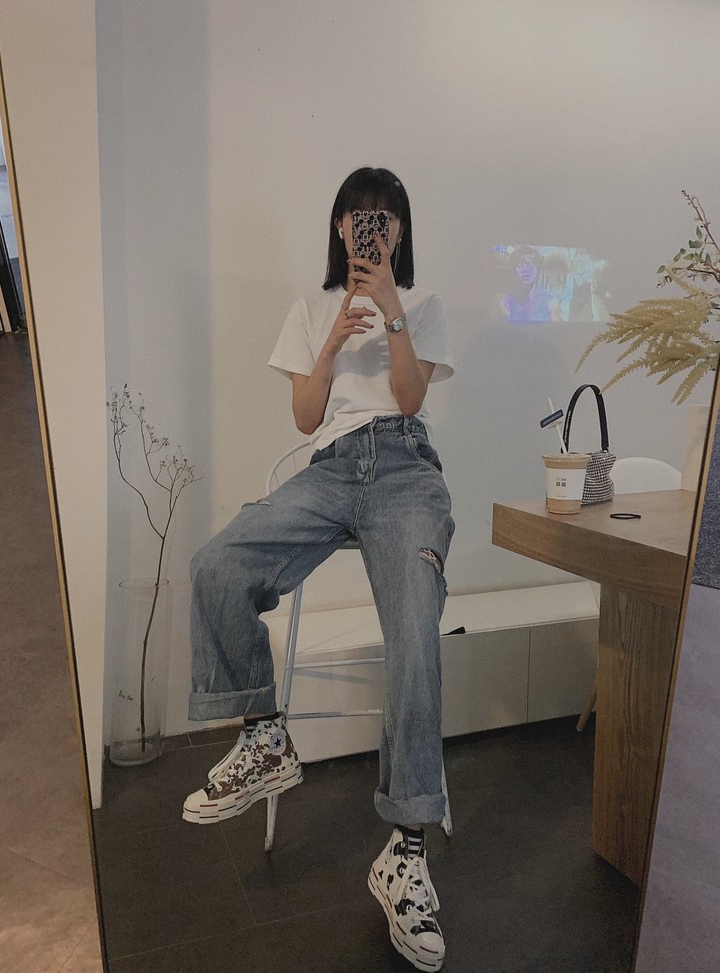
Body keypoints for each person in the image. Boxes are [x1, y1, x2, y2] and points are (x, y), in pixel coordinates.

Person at [183, 167, 455, 971]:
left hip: (404, 468)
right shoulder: (310, 308)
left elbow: (409, 399)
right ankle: (264, 736)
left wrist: (392, 308)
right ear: (340, 228)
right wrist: (335, 335)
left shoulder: (424, 302)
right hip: (330, 468)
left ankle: (406, 849)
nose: (371, 227)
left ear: (399, 231)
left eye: (386, 218)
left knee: (415, 629)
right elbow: (306, 416)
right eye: (359, 216)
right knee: (216, 564)